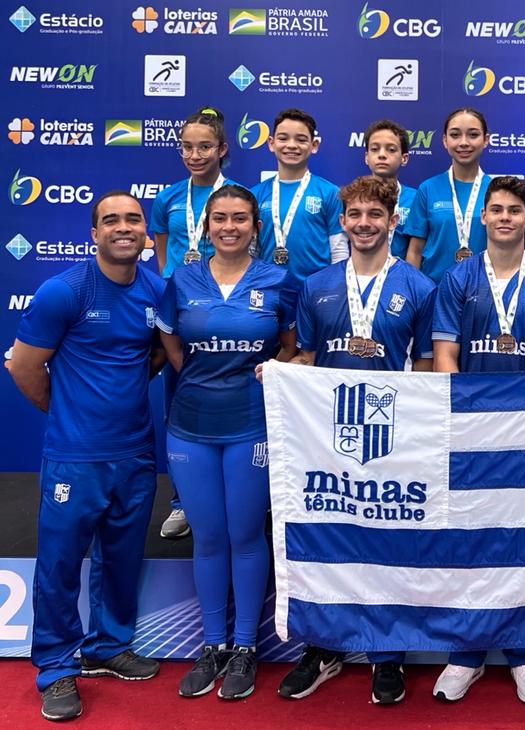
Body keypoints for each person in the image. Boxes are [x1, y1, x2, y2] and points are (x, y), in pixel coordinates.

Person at [275, 176, 436, 705]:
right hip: (327, 435)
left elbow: (431, 368)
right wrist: (278, 373)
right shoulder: (317, 285)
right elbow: (307, 358)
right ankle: (323, 647)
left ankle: (386, 654)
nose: (364, 223)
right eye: (355, 214)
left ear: (394, 222)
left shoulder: (418, 287)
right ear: (341, 221)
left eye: (375, 214)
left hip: (394, 436)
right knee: (332, 538)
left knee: (387, 543)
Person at [8, 191, 165, 721]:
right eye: (110, 220)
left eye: (133, 219)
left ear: (147, 231)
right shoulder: (63, 291)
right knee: (59, 565)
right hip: (75, 457)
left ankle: (107, 647)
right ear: (93, 232)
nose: (123, 227)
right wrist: (68, 412)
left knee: (120, 560)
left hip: (136, 452)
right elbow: (23, 366)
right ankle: (55, 667)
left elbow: (155, 357)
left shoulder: (156, 290)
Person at [431, 176, 525, 703]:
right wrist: (465, 419)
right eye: (497, 209)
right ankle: (466, 652)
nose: (507, 217)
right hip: (471, 430)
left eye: (516, 209)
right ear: (484, 218)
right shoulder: (458, 277)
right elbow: (445, 354)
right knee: (469, 539)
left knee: (523, 539)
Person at [157, 185, 298, 700]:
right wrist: (197, 376)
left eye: (240, 218)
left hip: (252, 426)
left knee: (244, 535)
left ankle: (245, 648)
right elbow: (171, 340)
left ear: (255, 227)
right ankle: (212, 645)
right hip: (190, 426)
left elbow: (291, 349)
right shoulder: (182, 278)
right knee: (208, 536)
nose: (230, 226)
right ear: (207, 226)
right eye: (220, 218)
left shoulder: (280, 280)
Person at [151, 106, 239, 540]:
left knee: (237, 404)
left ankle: (239, 494)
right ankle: (183, 501)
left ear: (222, 149)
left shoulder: (239, 193)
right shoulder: (167, 197)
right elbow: (163, 256)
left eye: (205, 146)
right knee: (179, 407)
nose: (195, 154)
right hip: (185, 314)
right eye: (187, 146)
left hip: (230, 312)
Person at [251, 108, 346, 282]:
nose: (292, 145)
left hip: (315, 290)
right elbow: (251, 250)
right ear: (271, 143)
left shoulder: (330, 193)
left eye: (301, 140)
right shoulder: (255, 194)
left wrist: (335, 288)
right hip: (266, 289)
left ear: (314, 145)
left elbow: (338, 250)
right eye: (283, 138)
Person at [405, 108, 491, 284]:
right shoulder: (428, 189)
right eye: (455, 135)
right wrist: (414, 293)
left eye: (473, 135)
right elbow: (414, 252)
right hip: (434, 292)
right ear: (445, 140)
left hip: (485, 294)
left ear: (486, 140)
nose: (464, 142)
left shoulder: (497, 191)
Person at [362, 119, 418, 260]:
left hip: (401, 276)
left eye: (391, 150)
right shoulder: (354, 198)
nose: (382, 155)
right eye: (374, 149)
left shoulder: (416, 199)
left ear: (404, 158)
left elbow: (417, 250)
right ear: (366, 157)